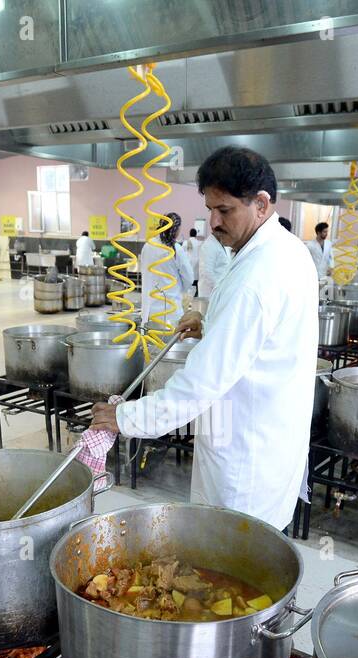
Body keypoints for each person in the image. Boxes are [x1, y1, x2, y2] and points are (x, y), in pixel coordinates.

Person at [89, 145, 318, 531]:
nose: (212, 222)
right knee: (250, 558)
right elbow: (254, 337)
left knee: (233, 562)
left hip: (245, 457)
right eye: (209, 209)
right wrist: (211, 320)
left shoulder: (258, 275)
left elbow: (199, 386)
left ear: (261, 204)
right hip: (267, 440)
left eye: (224, 210)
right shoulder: (285, 250)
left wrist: (125, 416)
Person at [139, 212, 194, 326]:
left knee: (151, 341)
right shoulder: (176, 249)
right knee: (169, 342)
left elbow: (144, 272)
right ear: (176, 229)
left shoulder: (147, 246)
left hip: (149, 310)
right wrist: (182, 289)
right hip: (170, 310)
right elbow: (189, 278)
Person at [198, 230, 231, 298]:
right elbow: (207, 273)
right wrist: (220, 287)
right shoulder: (209, 245)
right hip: (210, 292)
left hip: (221, 290)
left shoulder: (222, 244)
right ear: (216, 231)